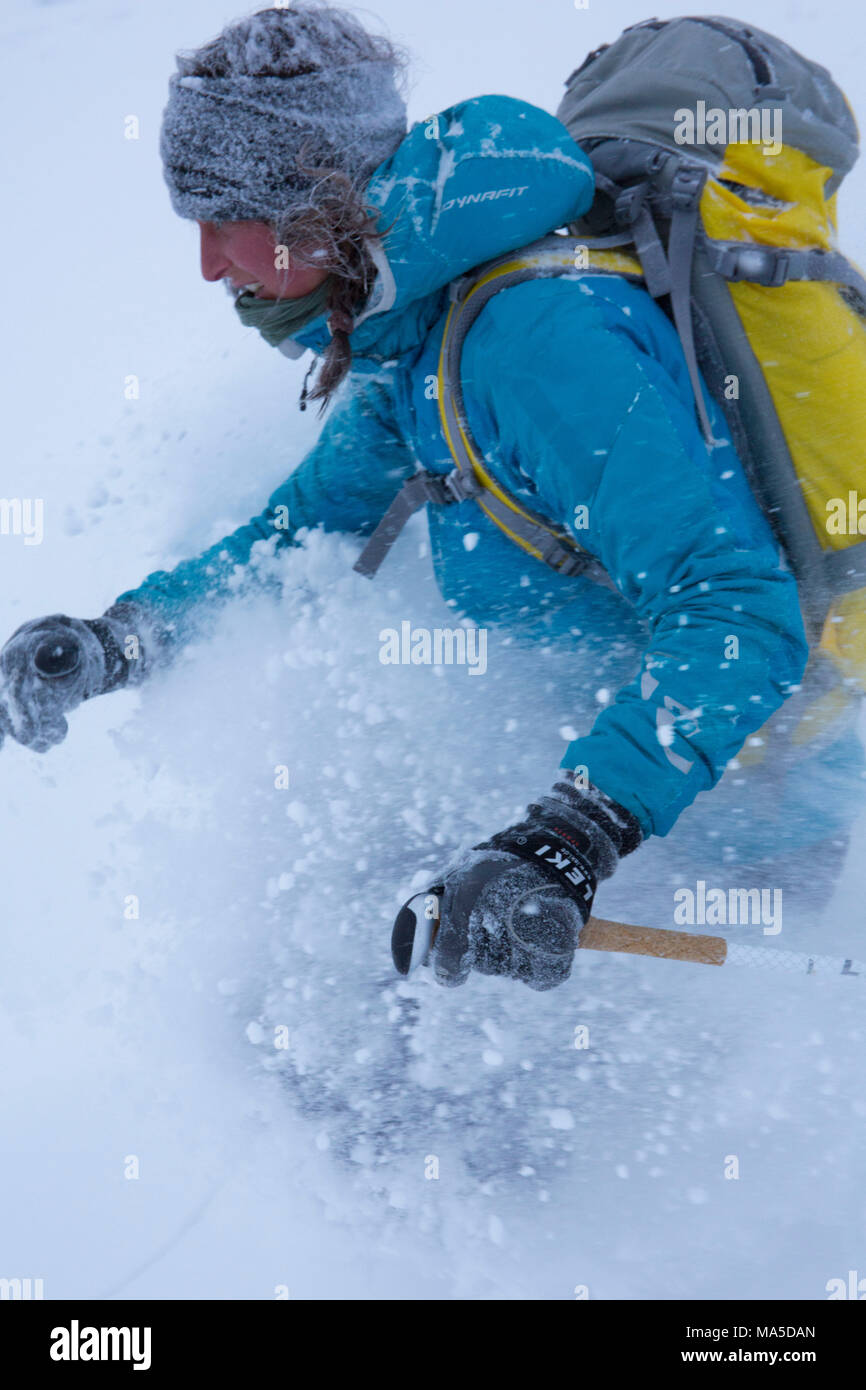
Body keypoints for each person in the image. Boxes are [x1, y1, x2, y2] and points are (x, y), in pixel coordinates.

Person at [2, 4, 857, 992]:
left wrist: (567, 840)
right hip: (585, 801)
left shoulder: (537, 343)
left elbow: (733, 616)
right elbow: (298, 533)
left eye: (226, 220)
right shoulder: (418, 338)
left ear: (316, 200)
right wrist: (118, 641)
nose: (206, 264)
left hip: (725, 810)